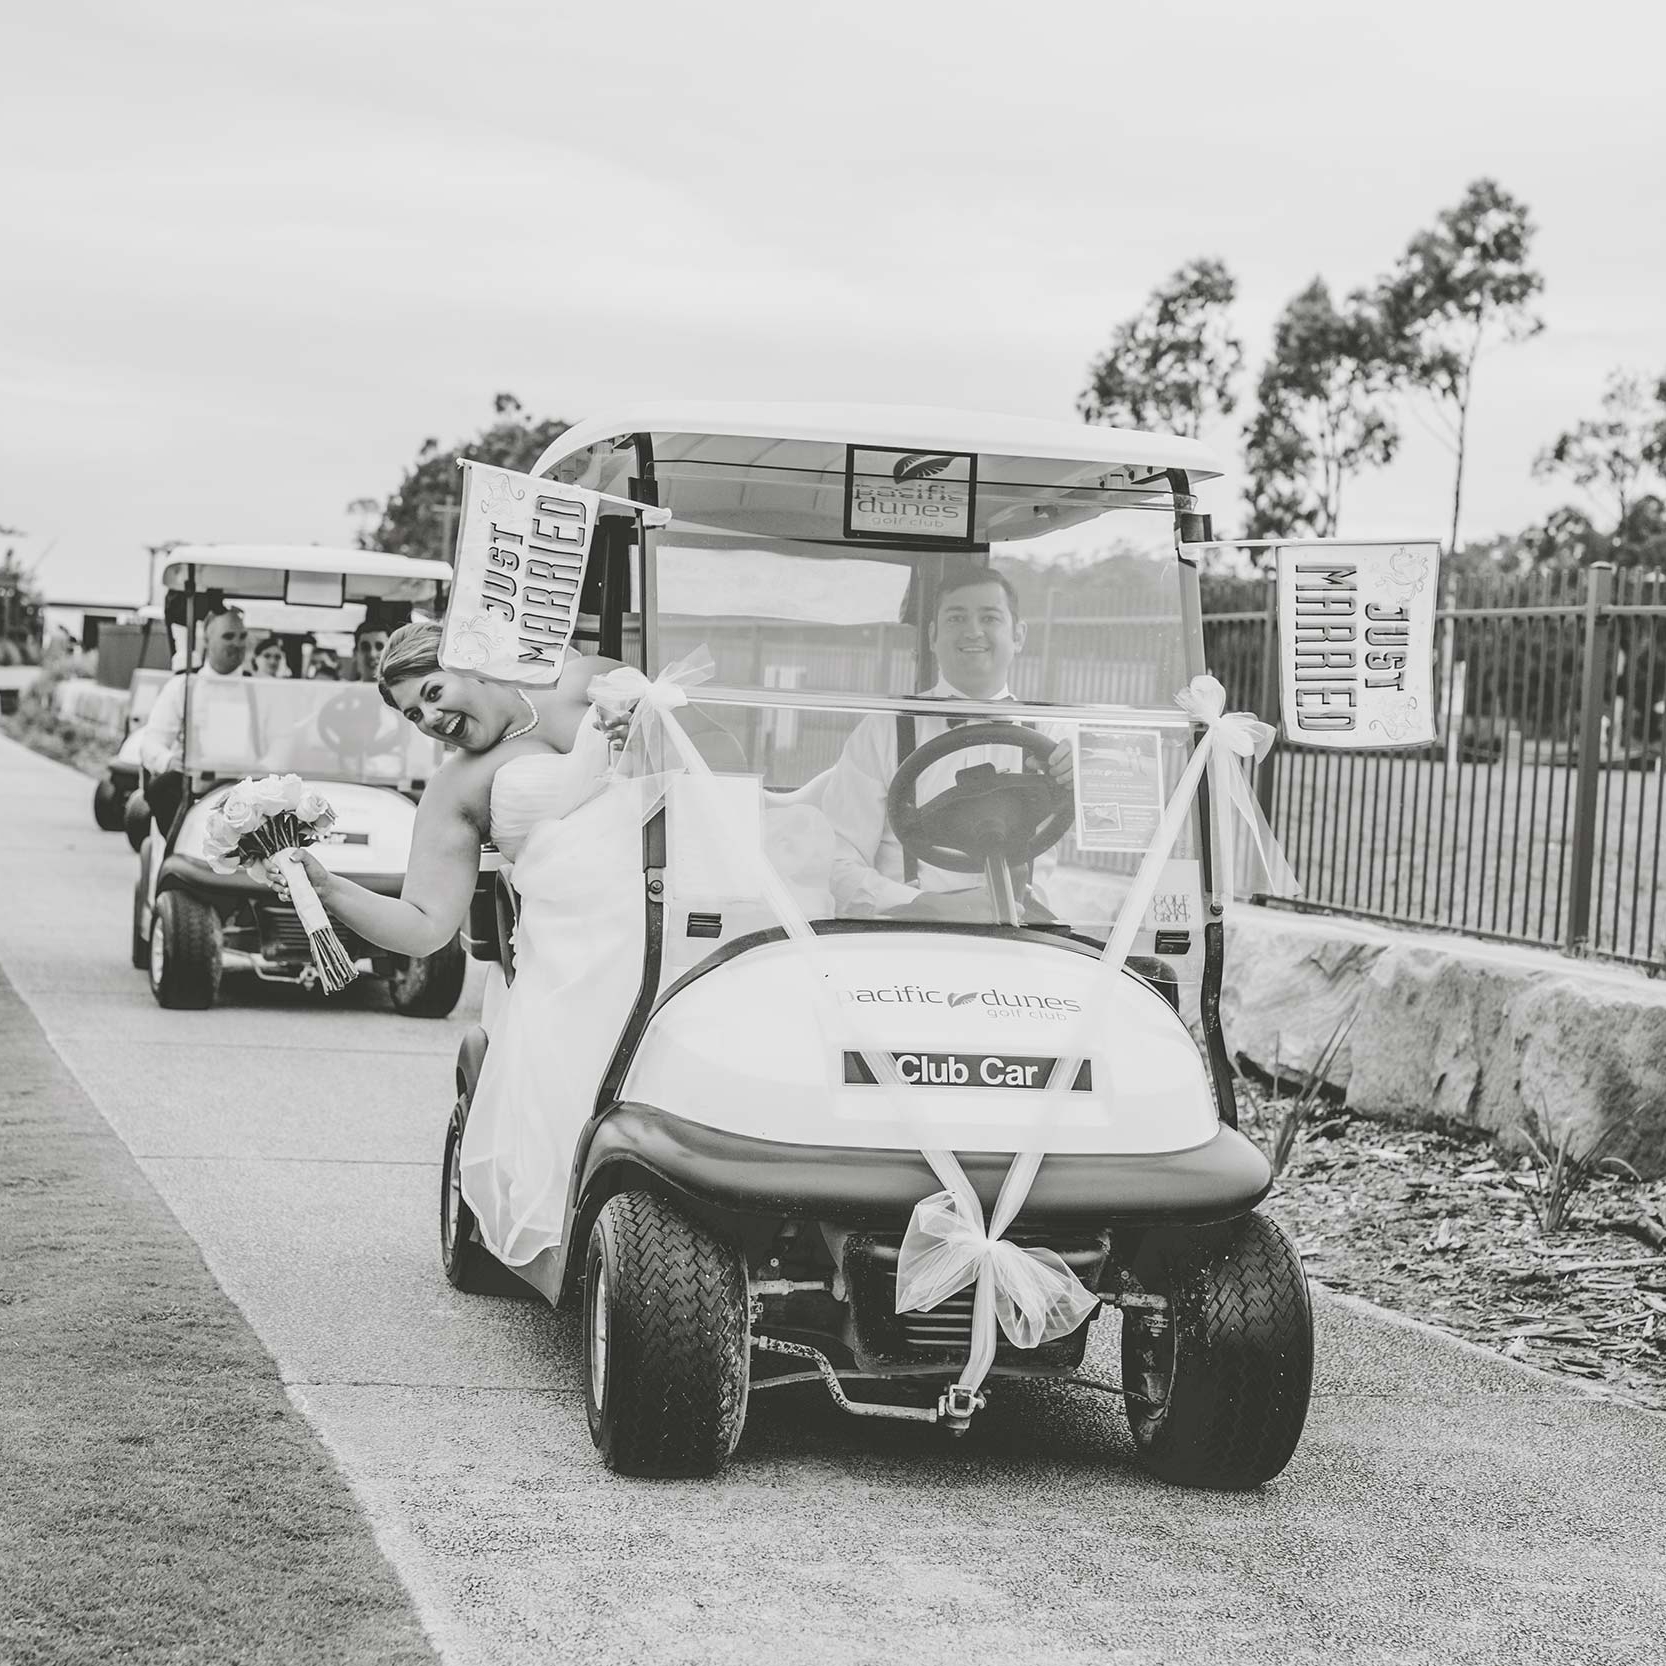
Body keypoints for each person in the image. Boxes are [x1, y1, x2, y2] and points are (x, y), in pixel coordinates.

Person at [270, 618, 637, 1265]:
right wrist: (328, 890)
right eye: (414, 716)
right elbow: (423, 924)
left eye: (432, 694)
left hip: (673, 898)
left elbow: (697, 747)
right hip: (571, 953)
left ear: (469, 662)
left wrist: (640, 727)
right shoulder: (455, 786)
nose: (430, 720)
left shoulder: (583, 682)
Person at [821, 571, 1071, 922]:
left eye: (989, 617)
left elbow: (1122, 820)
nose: (972, 631)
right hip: (907, 936)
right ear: (933, 636)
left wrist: (1081, 779)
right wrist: (922, 905)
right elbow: (833, 863)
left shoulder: (1056, 739)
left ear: (1018, 635)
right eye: (956, 618)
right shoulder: (884, 731)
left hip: (1021, 934)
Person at [137, 605, 250, 831]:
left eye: (242, 637)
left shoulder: (257, 689)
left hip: (245, 785)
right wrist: (169, 761)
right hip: (196, 785)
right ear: (207, 641)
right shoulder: (184, 687)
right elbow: (151, 743)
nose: (237, 644)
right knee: (163, 787)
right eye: (228, 637)